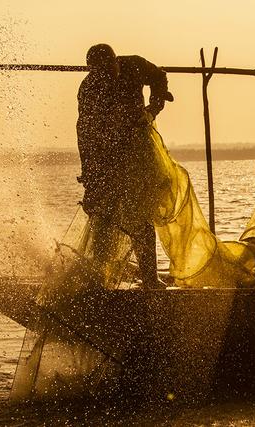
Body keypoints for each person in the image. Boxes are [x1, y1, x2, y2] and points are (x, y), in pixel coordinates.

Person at [76, 43, 173, 288]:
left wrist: (153, 108)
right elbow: (85, 134)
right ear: (93, 71)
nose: (107, 76)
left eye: (110, 69)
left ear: (115, 60)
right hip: (107, 156)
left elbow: (159, 77)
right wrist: (89, 174)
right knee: (104, 217)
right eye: (100, 73)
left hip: (138, 149)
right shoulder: (89, 89)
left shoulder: (134, 65)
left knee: (140, 213)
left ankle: (150, 278)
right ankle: (97, 278)